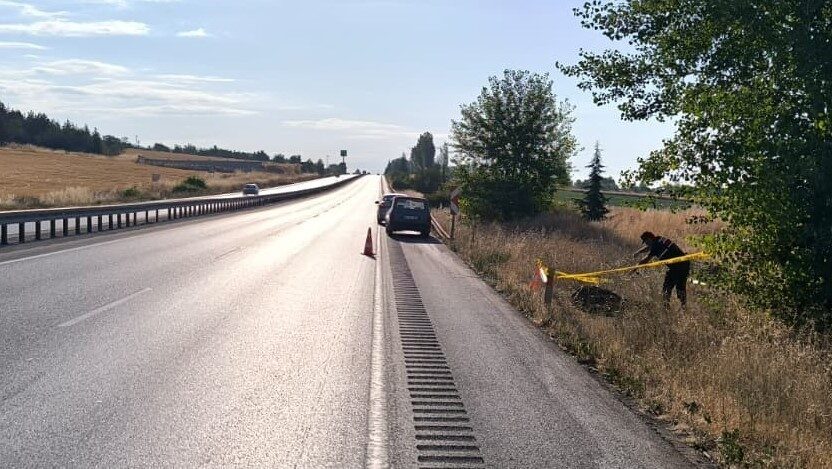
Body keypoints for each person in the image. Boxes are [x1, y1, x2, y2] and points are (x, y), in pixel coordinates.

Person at [633, 231, 690, 309]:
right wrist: (638, 252)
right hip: (676, 266)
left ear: (649, 239)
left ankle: (683, 308)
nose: (646, 244)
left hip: (681, 266)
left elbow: (646, 260)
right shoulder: (659, 239)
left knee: (680, 288)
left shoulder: (655, 245)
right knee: (666, 289)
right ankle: (666, 308)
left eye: (646, 242)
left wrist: (634, 268)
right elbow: (649, 247)